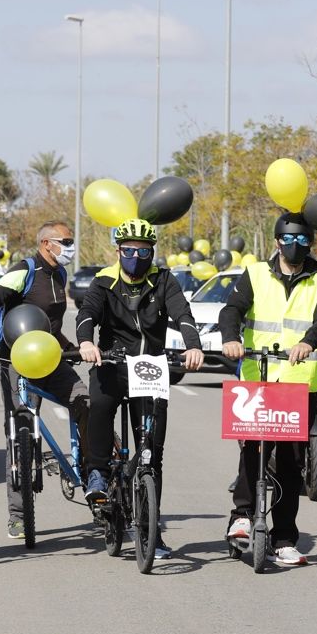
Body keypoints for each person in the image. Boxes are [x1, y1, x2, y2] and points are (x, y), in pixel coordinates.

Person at [76, 218, 203, 559]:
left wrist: (193, 344)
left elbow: (183, 314)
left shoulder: (163, 280)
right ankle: (99, 474)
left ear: (152, 252)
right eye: (129, 250)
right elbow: (87, 314)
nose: (136, 256)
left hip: (151, 366)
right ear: (118, 251)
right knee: (99, 406)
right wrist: (87, 342)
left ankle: (151, 532)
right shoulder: (103, 281)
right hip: (113, 364)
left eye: (143, 251)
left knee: (152, 453)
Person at [220, 212, 317, 566]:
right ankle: (242, 516)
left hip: (298, 384)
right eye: (289, 240)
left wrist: (309, 341)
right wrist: (230, 338)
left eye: (303, 240)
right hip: (258, 378)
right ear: (276, 243)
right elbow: (232, 310)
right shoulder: (255, 274)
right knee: (252, 450)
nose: (296, 246)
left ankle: (284, 537)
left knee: (290, 463)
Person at [0, 221, 89, 540]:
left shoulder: (60, 274)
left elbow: (52, 326)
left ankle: (92, 474)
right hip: (17, 360)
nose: (70, 246)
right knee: (20, 430)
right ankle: (17, 515)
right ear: (46, 244)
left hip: (51, 357)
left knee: (85, 402)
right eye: (65, 241)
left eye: (71, 240)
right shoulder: (25, 269)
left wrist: (76, 348)